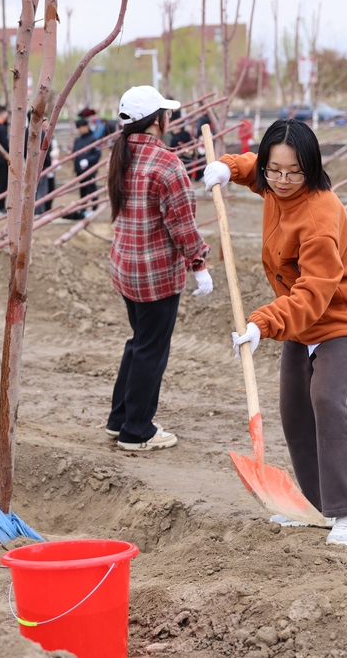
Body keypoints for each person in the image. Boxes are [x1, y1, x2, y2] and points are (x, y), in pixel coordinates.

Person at [203, 118, 347, 548]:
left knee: (327, 401)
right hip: (302, 321)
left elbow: (315, 292)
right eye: (273, 170)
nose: (281, 181)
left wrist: (263, 323)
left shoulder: (320, 216)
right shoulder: (274, 185)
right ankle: (318, 508)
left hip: (342, 317)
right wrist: (229, 167)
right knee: (294, 410)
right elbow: (253, 165)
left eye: (293, 172)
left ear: (311, 168)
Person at [106, 86, 213, 452]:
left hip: (126, 268)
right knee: (152, 349)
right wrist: (199, 264)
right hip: (154, 275)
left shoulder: (121, 154)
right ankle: (137, 431)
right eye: (166, 114)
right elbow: (182, 225)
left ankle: (119, 418)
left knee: (140, 342)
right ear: (157, 120)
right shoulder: (166, 164)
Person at [67, 118, 102, 219]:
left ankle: (95, 209)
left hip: (90, 170)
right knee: (82, 190)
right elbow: (75, 152)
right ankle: (83, 209)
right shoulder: (78, 140)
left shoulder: (93, 139)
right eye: (78, 128)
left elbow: (97, 154)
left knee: (92, 189)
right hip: (79, 170)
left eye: (81, 127)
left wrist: (88, 160)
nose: (79, 130)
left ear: (86, 126)